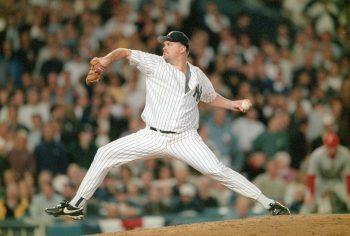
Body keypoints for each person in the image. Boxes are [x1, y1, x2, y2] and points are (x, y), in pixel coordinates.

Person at [45, 31, 290, 219]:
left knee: (217, 171)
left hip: (185, 138)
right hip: (152, 135)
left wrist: (233, 104)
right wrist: (107, 61)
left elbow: (210, 97)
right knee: (105, 153)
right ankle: (76, 204)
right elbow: (125, 51)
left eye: (169, 43)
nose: (164, 45)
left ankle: (267, 202)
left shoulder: (197, 75)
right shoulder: (155, 64)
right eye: (164, 42)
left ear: (182, 48)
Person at [306, 133, 350, 213]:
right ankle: (300, 219)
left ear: (337, 145)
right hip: (321, 181)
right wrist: (311, 193)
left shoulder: (345, 154)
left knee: (349, 200)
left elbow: (348, 175)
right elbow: (311, 175)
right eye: (329, 146)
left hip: (337, 181)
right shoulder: (317, 154)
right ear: (325, 145)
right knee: (311, 202)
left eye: (333, 146)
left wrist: (348, 192)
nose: (331, 148)